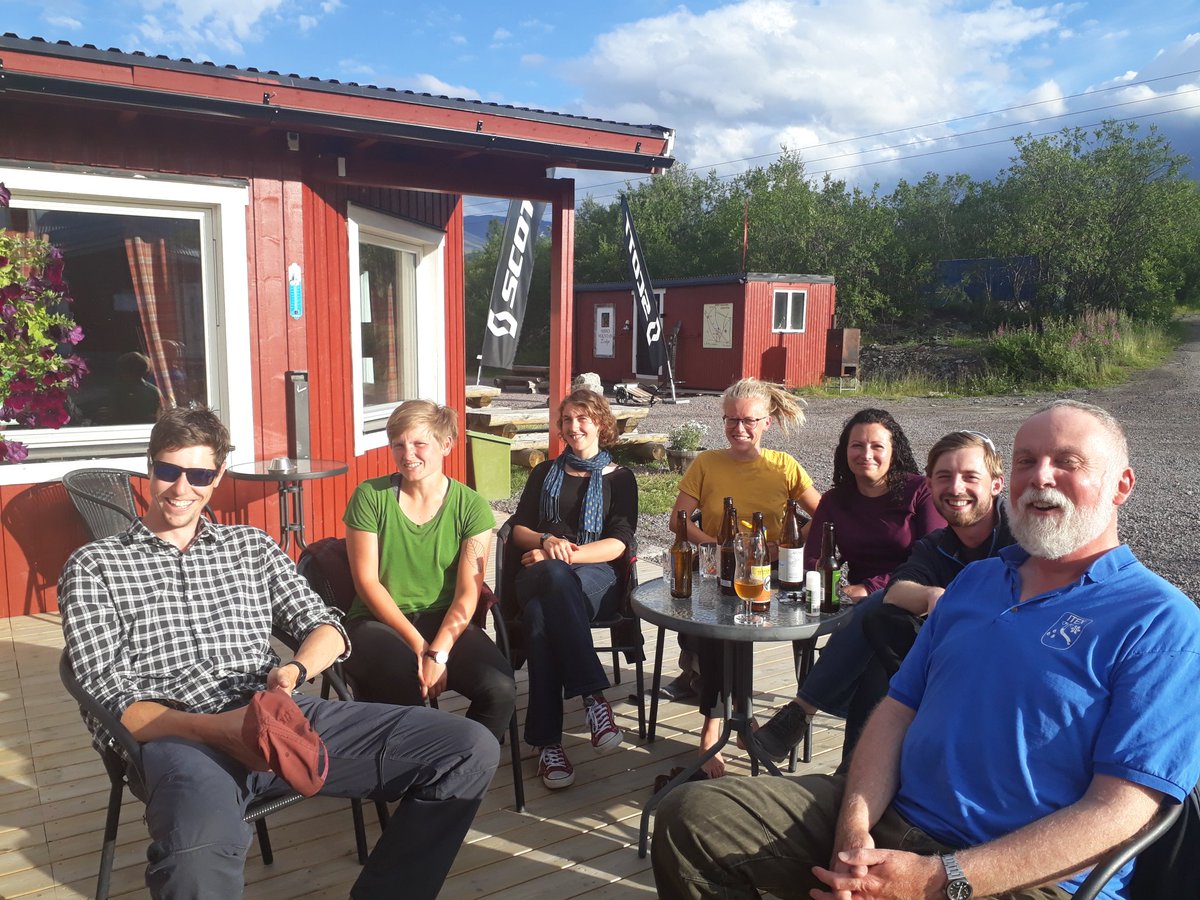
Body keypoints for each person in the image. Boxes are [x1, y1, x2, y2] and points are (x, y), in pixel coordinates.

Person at [652, 400, 1200, 900]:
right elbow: (895, 712)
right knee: (693, 817)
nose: (1041, 478)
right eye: (1027, 461)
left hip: (1024, 876)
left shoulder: (1160, 620)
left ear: (1121, 484)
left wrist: (941, 880)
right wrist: (853, 838)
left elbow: (1124, 809)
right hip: (896, 819)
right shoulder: (975, 583)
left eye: (1068, 462)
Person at [59, 406, 499, 900]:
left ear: (218, 475)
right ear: (150, 467)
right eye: (168, 470)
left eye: (199, 473)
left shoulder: (251, 547)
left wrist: (295, 668)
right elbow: (108, 701)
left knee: (466, 748)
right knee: (195, 861)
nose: (182, 488)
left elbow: (327, 627)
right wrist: (215, 729)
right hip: (180, 738)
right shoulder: (96, 566)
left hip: (278, 716)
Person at [758, 430, 1015, 764]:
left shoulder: (1020, 538)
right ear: (931, 483)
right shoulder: (937, 544)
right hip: (933, 651)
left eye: (970, 477)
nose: (955, 488)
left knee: (879, 625)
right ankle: (852, 775)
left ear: (996, 484)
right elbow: (897, 589)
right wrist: (933, 595)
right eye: (944, 477)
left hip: (1003, 663)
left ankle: (805, 718)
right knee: (882, 640)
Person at [753, 407, 945, 761]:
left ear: (894, 450)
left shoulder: (919, 492)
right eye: (857, 445)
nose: (866, 454)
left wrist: (871, 588)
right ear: (845, 451)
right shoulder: (836, 500)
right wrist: (829, 585)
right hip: (853, 607)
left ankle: (801, 711)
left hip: (918, 604)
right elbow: (811, 558)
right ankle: (850, 772)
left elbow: (930, 558)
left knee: (876, 620)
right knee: (874, 665)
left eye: (876, 446)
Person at [669, 377, 821, 778]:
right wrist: (718, 546)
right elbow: (678, 520)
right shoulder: (706, 464)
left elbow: (823, 514)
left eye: (749, 421)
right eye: (731, 420)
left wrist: (788, 544)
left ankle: (727, 722)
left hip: (768, 578)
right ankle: (724, 725)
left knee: (737, 628)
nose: (739, 429)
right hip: (719, 573)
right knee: (719, 628)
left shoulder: (783, 466)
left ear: (767, 422)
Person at [342, 399, 516, 741]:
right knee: (405, 677)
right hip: (378, 620)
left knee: (501, 688)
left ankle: (461, 768)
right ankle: (417, 768)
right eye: (399, 445)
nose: (408, 454)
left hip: (443, 618)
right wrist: (421, 648)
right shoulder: (370, 497)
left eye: (419, 443)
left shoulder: (471, 507)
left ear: (446, 444)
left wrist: (439, 650)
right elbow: (367, 582)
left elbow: (469, 592)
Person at [507, 388, 638, 789]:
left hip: (596, 576)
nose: (574, 426)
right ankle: (594, 697)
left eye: (583, 418)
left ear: (600, 422)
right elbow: (518, 530)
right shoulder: (544, 472)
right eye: (567, 420)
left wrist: (563, 556)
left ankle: (548, 745)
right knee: (551, 588)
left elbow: (619, 541)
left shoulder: (621, 478)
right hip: (537, 568)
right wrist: (546, 543)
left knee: (540, 616)